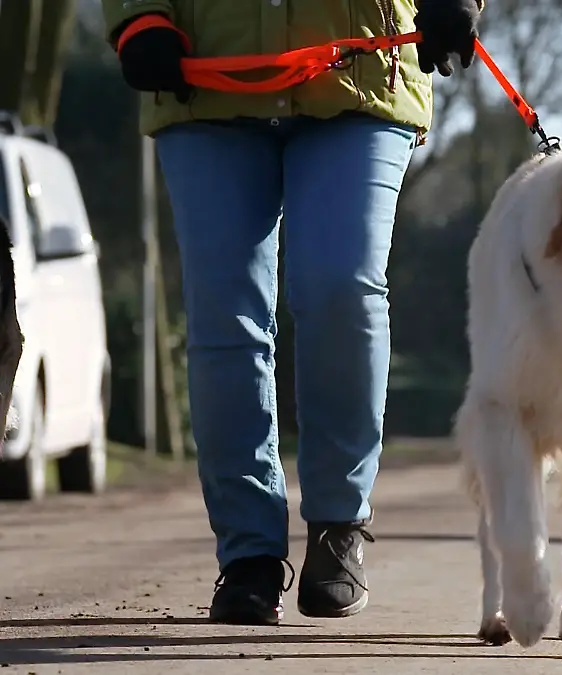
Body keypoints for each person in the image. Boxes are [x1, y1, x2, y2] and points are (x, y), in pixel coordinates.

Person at [100, 0, 484, 626]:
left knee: (340, 286)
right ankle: (248, 553)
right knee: (225, 314)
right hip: (203, 77)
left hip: (361, 72)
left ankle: (339, 525)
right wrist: (139, 17)